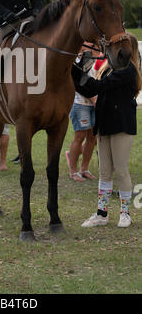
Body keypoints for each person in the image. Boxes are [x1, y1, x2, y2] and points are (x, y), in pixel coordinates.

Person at [72, 33, 142, 228]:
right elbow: (89, 90)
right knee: (104, 173)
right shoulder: (108, 68)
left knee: (121, 170)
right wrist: (74, 71)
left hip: (121, 125)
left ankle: (125, 213)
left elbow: (99, 86)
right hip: (104, 125)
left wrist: (75, 69)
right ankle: (102, 214)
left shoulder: (128, 70)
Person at [66, 44, 98, 182]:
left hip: (94, 102)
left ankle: (84, 169)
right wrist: (93, 98)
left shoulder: (93, 58)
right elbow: (78, 83)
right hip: (79, 103)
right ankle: (73, 171)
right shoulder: (73, 60)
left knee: (92, 138)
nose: (91, 46)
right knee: (80, 136)